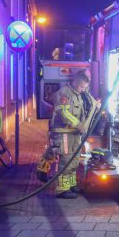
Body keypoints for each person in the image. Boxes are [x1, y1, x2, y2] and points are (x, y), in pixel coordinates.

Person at [48, 70, 99, 199]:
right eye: (81, 87)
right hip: (65, 134)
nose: (83, 90)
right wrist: (79, 125)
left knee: (75, 160)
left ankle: (70, 185)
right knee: (66, 160)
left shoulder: (79, 94)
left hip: (75, 134)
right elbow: (64, 114)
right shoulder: (64, 94)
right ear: (75, 82)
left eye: (85, 87)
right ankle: (62, 189)